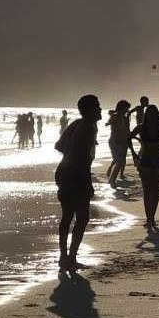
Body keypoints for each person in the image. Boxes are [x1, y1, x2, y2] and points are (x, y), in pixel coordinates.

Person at [55, 94, 101, 272]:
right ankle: (71, 258)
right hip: (76, 174)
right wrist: (87, 182)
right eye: (97, 106)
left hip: (64, 172)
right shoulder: (88, 127)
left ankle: (64, 257)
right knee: (82, 217)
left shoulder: (76, 123)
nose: (100, 109)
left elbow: (58, 145)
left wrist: (69, 156)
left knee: (67, 216)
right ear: (89, 110)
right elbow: (82, 159)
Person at [128, 105, 159, 231]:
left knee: (151, 191)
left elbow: (128, 138)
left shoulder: (143, 127)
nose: (151, 116)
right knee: (151, 192)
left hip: (148, 161)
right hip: (153, 161)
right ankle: (150, 218)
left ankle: (150, 218)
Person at [105, 100, 132, 185]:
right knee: (119, 161)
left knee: (121, 161)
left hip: (123, 141)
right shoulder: (115, 116)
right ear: (121, 108)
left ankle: (112, 179)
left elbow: (127, 130)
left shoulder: (125, 118)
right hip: (115, 141)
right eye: (126, 108)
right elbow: (114, 126)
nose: (127, 110)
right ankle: (112, 180)